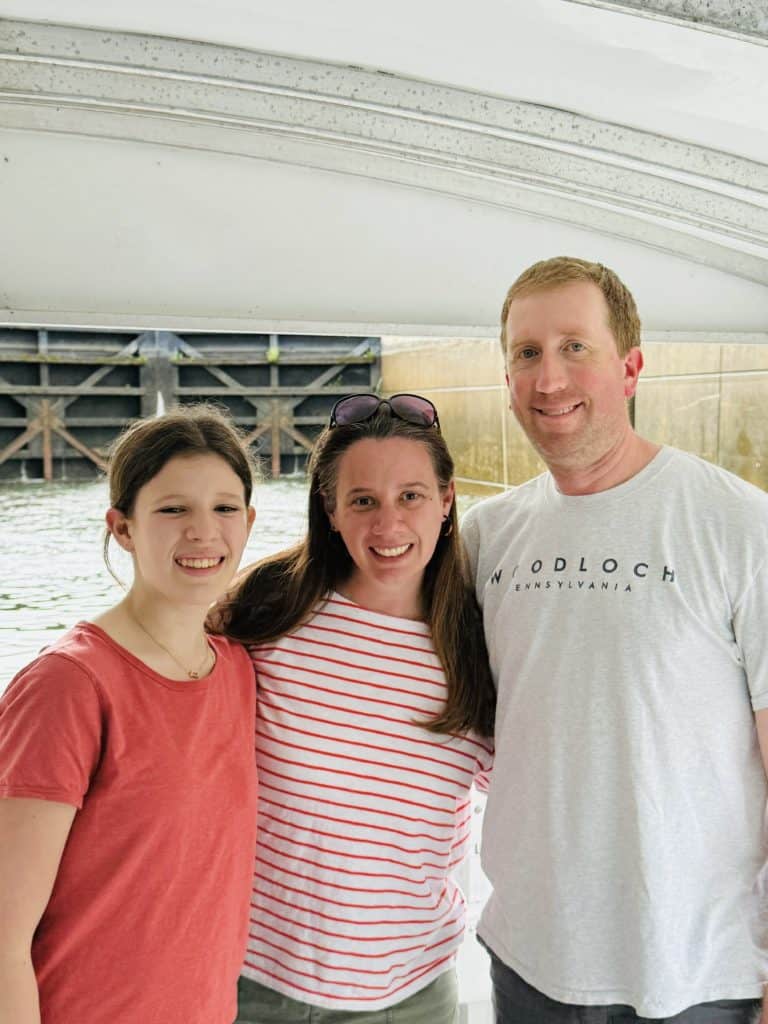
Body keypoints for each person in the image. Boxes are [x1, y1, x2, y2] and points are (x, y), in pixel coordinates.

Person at [462, 256, 768, 1023]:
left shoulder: (739, 525)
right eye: (526, 353)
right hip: (528, 963)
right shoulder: (486, 536)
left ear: (630, 368)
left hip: (695, 978)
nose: (548, 378)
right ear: (507, 379)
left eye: (575, 347)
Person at [217, 393, 495, 1024]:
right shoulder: (267, 607)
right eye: (363, 500)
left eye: (411, 496)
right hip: (250, 983)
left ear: (446, 501)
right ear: (331, 510)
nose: (387, 524)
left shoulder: (481, 645)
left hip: (409, 997)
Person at [0, 405, 258, 1024]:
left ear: (249, 522)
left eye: (225, 508)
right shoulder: (69, 685)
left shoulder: (237, 669)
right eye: (173, 510)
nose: (204, 532)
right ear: (122, 528)